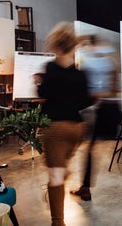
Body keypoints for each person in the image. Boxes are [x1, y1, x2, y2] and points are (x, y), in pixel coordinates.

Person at [36, 22, 94, 226]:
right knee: (61, 169)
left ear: (57, 46)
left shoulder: (50, 69)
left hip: (55, 128)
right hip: (77, 129)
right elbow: (87, 101)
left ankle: (57, 222)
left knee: (56, 175)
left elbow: (43, 93)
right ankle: (57, 185)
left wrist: (39, 84)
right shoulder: (81, 74)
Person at [70, 35, 120, 201]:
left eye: (87, 45)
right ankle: (85, 188)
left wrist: (93, 95)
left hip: (105, 108)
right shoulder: (107, 60)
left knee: (99, 148)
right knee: (91, 148)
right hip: (104, 108)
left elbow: (112, 90)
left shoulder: (99, 62)